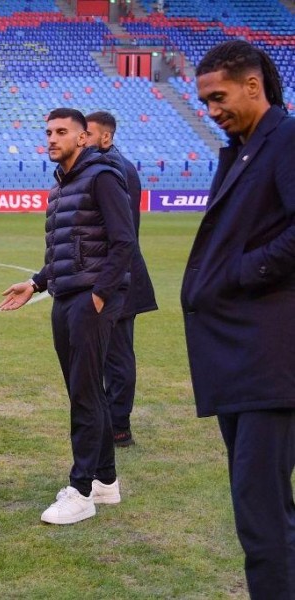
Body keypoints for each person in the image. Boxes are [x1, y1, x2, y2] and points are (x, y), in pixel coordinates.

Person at [182, 40, 295, 598]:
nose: (212, 110)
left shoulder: (288, 140)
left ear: (254, 86)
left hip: (268, 359)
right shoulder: (244, 148)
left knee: (261, 512)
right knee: (264, 507)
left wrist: (240, 272)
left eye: (219, 97)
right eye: (204, 103)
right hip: (239, 359)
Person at [0, 108, 136, 525]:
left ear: (83, 138)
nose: (52, 138)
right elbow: (69, 248)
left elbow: (123, 241)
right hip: (64, 296)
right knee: (86, 390)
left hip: (88, 300)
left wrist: (99, 295)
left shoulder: (102, 177)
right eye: (48, 132)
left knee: (83, 393)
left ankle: (79, 490)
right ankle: (106, 482)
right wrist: (37, 283)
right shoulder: (61, 186)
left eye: (62, 132)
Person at [85, 111, 158, 447]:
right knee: (105, 355)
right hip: (109, 276)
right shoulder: (101, 169)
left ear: (107, 137)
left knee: (117, 355)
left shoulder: (118, 170)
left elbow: (122, 236)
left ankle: (119, 427)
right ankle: (108, 422)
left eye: (89, 133)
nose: (82, 138)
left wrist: (107, 282)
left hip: (119, 278)